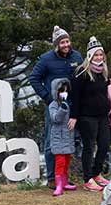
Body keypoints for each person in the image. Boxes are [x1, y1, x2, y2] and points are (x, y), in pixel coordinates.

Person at [29, 26, 84, 189]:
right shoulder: (46, 59)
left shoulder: (77, 57)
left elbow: (82, 76)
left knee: (71, 139)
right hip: (54, 106)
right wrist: (47, 98)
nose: (66, 45)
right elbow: (34, 78)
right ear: (56, 44)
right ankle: (52, 178)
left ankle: (64, 177)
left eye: (67, 41)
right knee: (51, 140)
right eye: (62, 42)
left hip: (73, 104)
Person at [69, 36, 111, 192]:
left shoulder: (103, 73)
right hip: (87, 116)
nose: (98, 58)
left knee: (105, 144)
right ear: (89, 56)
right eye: (96, 55)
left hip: (102, 116)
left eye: (101, 55)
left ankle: (97, 173)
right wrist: (74, 116)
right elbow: (76, 97)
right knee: (89, 146)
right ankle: (87, 178)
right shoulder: (82, 73)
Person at [48, 78, 78, 196]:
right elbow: (55, 119)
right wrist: (63, 109)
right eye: (61, 91)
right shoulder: (53, 105)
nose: (64, 93)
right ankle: (58, 185)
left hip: (68, 137)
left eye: (66, 90)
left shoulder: (69, 103)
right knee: (59, 162)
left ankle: (65, 182)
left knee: (66, 161)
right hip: (58, 139)